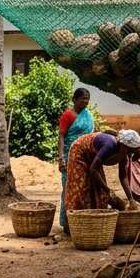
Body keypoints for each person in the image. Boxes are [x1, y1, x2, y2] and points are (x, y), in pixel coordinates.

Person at [64, 129, 140, 218]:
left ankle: (94, 221)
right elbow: (93, 170)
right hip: (80, 153)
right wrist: (108, 190)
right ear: (124, 146)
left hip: (93, 157)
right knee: (81, 189)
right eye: (130, 151)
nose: (130, 154)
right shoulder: (109, 145)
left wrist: (131, 199)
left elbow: (123, 176)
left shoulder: (124, 151)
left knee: (100, 193)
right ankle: (75, 223)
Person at [57, 88, 94, 231]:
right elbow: (61, 136)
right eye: (82, 99)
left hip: (86, 156)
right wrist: (61, 158)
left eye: (87, 99)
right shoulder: (68, 115)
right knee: (68, 187)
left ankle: (81, 220)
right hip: (69, 155)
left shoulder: (88, 115)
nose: (85, 102)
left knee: (84, 187)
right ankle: (67, 222)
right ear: (75, 99)